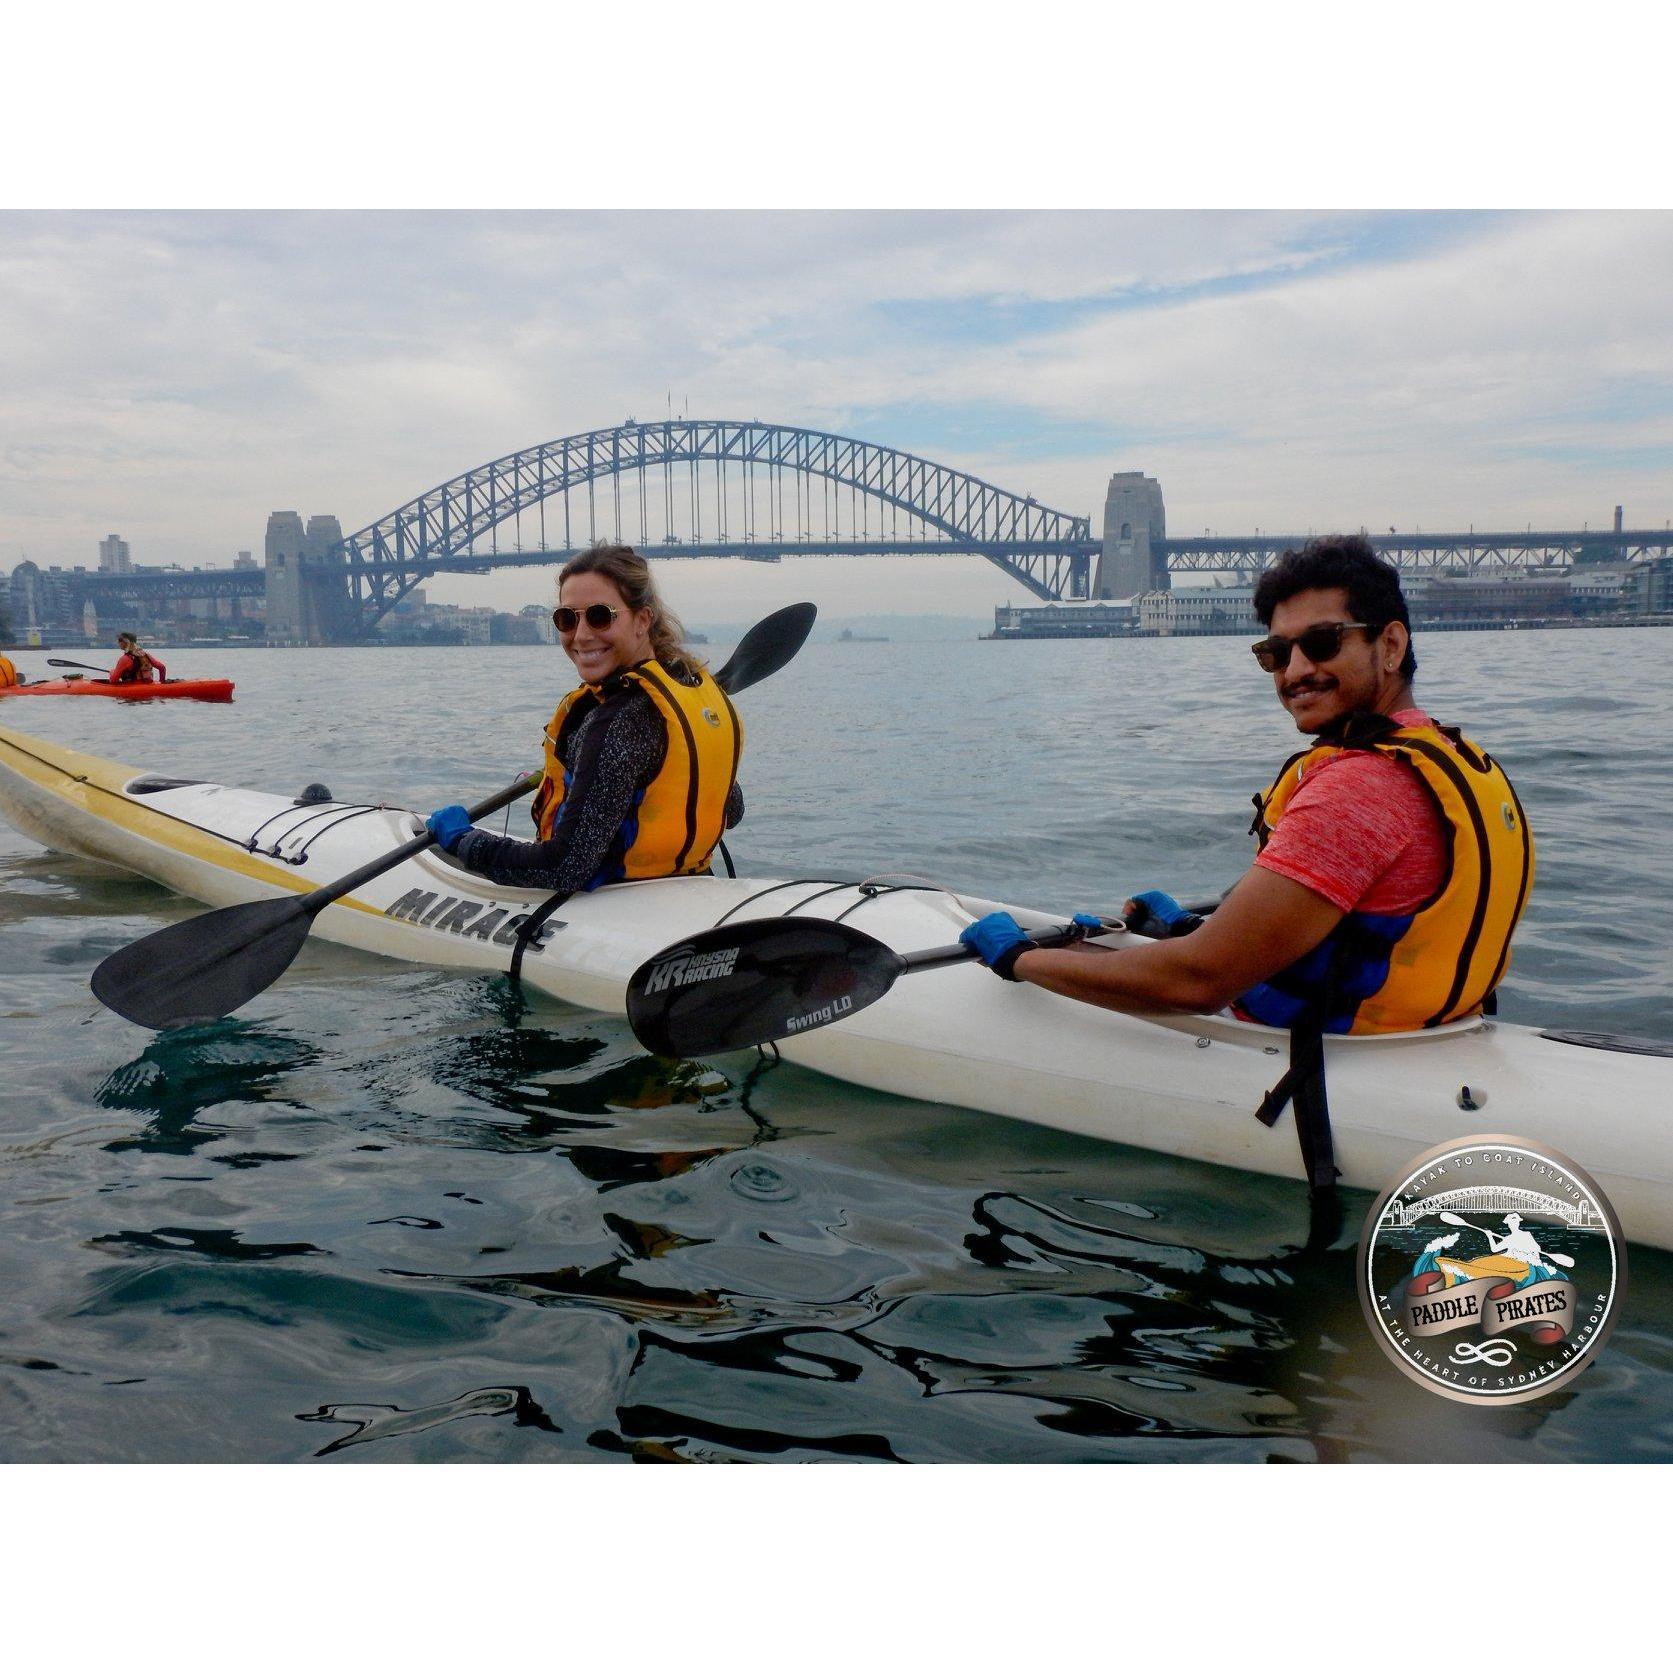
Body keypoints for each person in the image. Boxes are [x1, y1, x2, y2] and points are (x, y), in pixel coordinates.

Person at [958, 534, 1535, 1186]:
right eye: (1274, 652)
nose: (1293, 671)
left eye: (1321, 643)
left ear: (1390, 645)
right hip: (1427, 1033)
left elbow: (1196, 983)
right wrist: (1189, 929)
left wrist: (1019, 959)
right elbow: (1347, 922)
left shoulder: (1357, 788)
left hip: (1321, 1060)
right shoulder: (1453, 759)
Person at [424, 544, 743, 903]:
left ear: (642, 620)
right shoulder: (695, 695)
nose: (581, 634)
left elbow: (565, 867)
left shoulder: (622, 719)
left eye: (600, 616)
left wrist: (464, 841)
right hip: (693, 892)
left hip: (616, 904)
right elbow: (732, 810)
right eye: (566, 618)